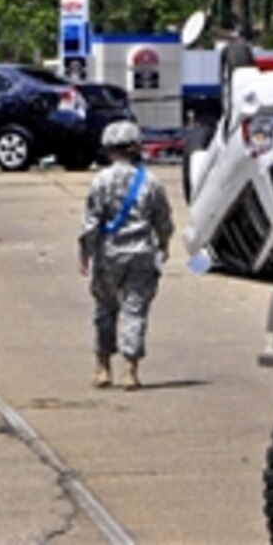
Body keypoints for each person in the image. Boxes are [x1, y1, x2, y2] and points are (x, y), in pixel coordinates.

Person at [79, 120, 174, 390]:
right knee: (135, 310)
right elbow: (163, 220)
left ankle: (102, 368)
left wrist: (85, 254)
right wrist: (164, 244)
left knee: (105, 309)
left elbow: (90, 222)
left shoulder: (100, 181)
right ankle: (130, 371)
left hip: (108, 254)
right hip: (141, 254)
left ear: (109, 148)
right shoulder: (151, 182)